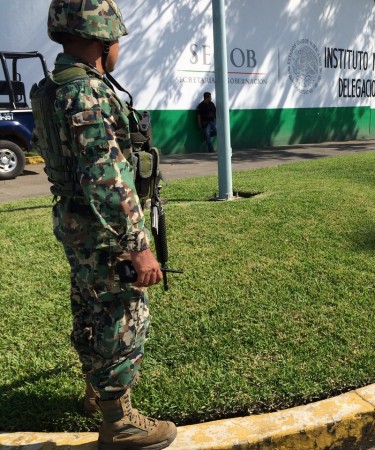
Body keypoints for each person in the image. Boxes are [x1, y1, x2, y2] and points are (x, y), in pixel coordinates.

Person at [30, 1, 177, 449]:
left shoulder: (51, 87)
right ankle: (120, 421)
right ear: (100, 40)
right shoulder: (87, 93)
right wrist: (139, 245)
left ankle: (97, 392)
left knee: (90, 305)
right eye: (116, 42)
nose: (118, 51)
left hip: (77, 224)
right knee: (123, 313)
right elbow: (107, 177)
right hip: (106, 232)